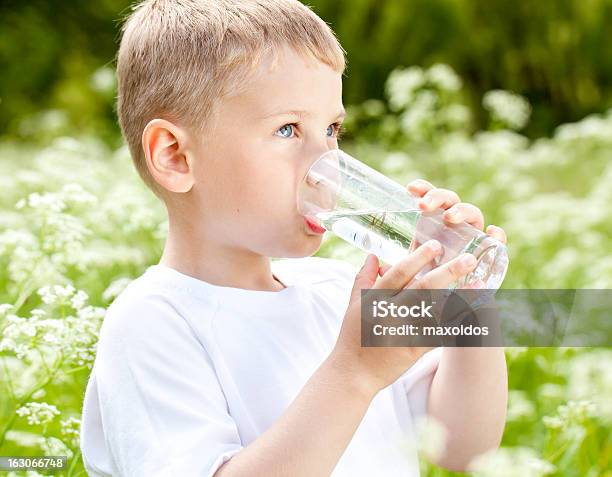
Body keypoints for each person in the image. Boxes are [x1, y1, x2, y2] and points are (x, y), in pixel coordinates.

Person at [80, 1, 508, 475]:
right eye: (288, 129)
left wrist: (468, 304)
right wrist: (355, 372)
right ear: (177, 157)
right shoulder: (153, 323)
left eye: (332, 129)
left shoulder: (336, 292)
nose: (327, 166)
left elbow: (461, 448)